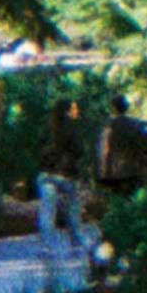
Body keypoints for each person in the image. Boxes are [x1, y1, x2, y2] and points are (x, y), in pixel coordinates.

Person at [38, 97, 85, 240]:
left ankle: (46, 245)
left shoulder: (47, 127)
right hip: (67, 175)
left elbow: (38, 148)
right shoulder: (72, 127)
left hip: (46, 175)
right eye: (74, 108)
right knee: (73, 209)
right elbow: (79, 150)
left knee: (47, 211)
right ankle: (76, 241)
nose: (77, 111)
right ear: (68, 111)